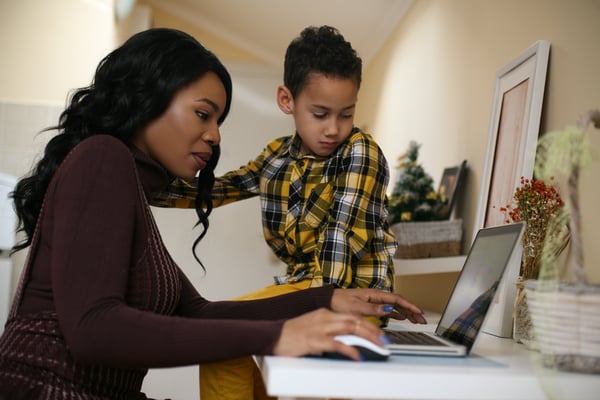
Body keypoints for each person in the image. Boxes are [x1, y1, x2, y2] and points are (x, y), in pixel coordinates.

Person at [0, 28, 426, 400]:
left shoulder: (123, 181)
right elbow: (93, 329)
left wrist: (323, 298)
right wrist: (280, 334)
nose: (215, 135)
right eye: (203, 114)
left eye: (217, 119)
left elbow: (199, 314)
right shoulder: (102, 158)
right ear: (148, 99)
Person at [152, 26, 402, 400]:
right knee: (218, 336)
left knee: (315, 380)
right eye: (320, 114)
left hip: (349, 293)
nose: (333, 128)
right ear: (287, 100)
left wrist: (321, 315)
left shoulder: (360, 152)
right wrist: (147, 185)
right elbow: (219, 189)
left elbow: (340, 238)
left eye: (346, 114)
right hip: (301, 288)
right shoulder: (276, 156)